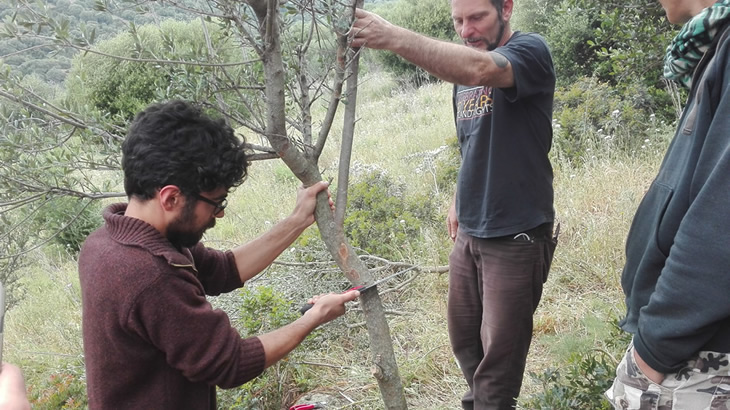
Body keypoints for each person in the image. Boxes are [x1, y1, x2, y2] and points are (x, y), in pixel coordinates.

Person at [78, 100, 359, 409]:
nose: (220, 214)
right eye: (217, 201)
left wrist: (297, 221)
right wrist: (316, 318)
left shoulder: (108, 240)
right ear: (171, 197)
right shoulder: (149, 273)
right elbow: (230, 363)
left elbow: (221, 270)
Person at [351, 1, 557, 408]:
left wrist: (393, 37)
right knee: (465, 342)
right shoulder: (463, 74)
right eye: (458, 21)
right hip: (470, 230)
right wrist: (457, 198)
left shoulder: (529, 52)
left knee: (499, 362)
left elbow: (482, 70)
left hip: (516, 232)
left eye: (476, 17)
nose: (466, 31)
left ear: (507, 8)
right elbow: (472, 144)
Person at [606, 0, 730, 408]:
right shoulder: (717, 44)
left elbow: (719, 223)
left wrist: (654, 348)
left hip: (700, 353)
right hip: (691, 341)